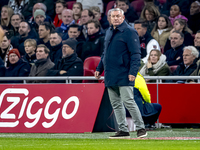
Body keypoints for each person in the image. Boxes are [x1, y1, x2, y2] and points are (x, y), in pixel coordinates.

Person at [95, 8, 147, 139]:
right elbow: (105, 54)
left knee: (128, 101)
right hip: (110, 74)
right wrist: (99, 68)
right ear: (110, 18)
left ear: (123, 18)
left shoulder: (130, 32)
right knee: (116, 104)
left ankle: (141, 129)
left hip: (124, 73)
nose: (116, 18)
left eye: (118, 16)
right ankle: (123, 130)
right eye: (113, 16)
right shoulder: (109, 31)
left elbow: (136, 54)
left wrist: (133, 72)